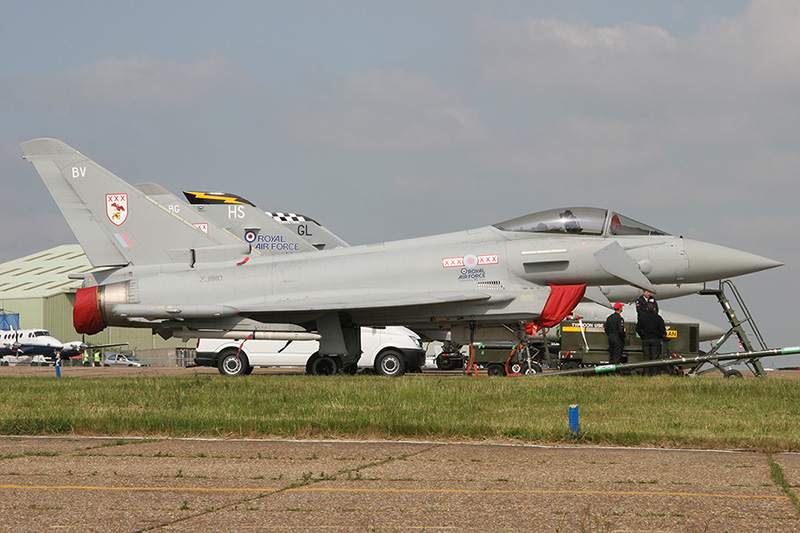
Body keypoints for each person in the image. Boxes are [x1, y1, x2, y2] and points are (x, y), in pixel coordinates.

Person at [636, 302, 667, 375]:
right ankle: (654, 373)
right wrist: (659, 336)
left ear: (646, 309)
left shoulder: (642, 318)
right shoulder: (658, 318)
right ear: (654, 309)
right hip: (655, 339)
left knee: (646, 357)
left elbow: (637, 329)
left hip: (645, 339)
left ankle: (646, 373)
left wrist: (642, 335)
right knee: (655, 357)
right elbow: (662, 329)